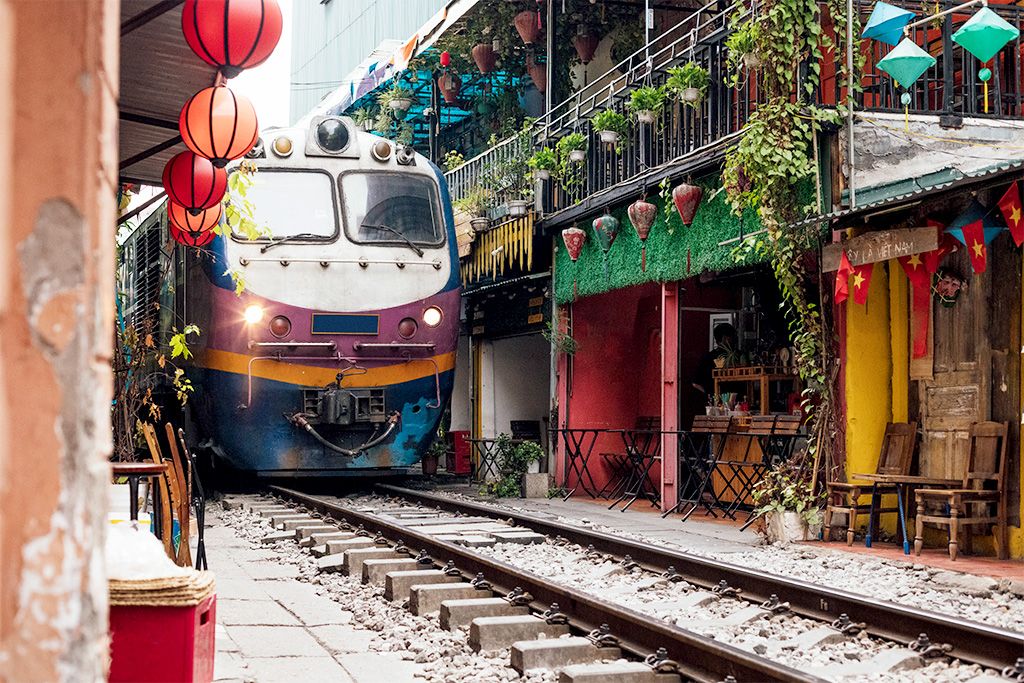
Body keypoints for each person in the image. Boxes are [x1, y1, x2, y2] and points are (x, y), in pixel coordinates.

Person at [692, 323, 736, 401]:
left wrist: (709, 394)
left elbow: (695, 383)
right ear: (724, 338)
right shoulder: (709, 358)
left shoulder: (707, 357)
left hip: (732, 401)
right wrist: (711, 394)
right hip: (719, 402)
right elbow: (695, 383)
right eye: (732, 337)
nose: (735, 340)